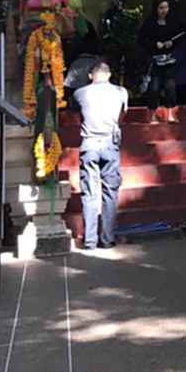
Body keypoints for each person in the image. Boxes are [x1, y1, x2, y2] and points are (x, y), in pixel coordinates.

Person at [73, 60, 128, 250]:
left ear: (90, 76)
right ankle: (107, 239)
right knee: (111, 192)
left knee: (89, 193)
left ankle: (89, 241)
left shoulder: (79, 93)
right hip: (110, 143)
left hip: (88, 143)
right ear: (109, 74)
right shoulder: (121, 92)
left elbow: (77, 114)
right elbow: (122, 115)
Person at [139, 0, 184, 123]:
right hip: (154, 59)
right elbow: (141, 40)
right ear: (156, 9)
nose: (164, 11)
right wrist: (155, 44)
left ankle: (170, 113)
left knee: (170, 86)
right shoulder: (149, 24)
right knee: (154, 87)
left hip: (169, 59)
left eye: (166, 8)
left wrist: (172, 43)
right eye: (161, 8)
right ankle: (153, 115)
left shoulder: (173, 23)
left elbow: (181, 36)